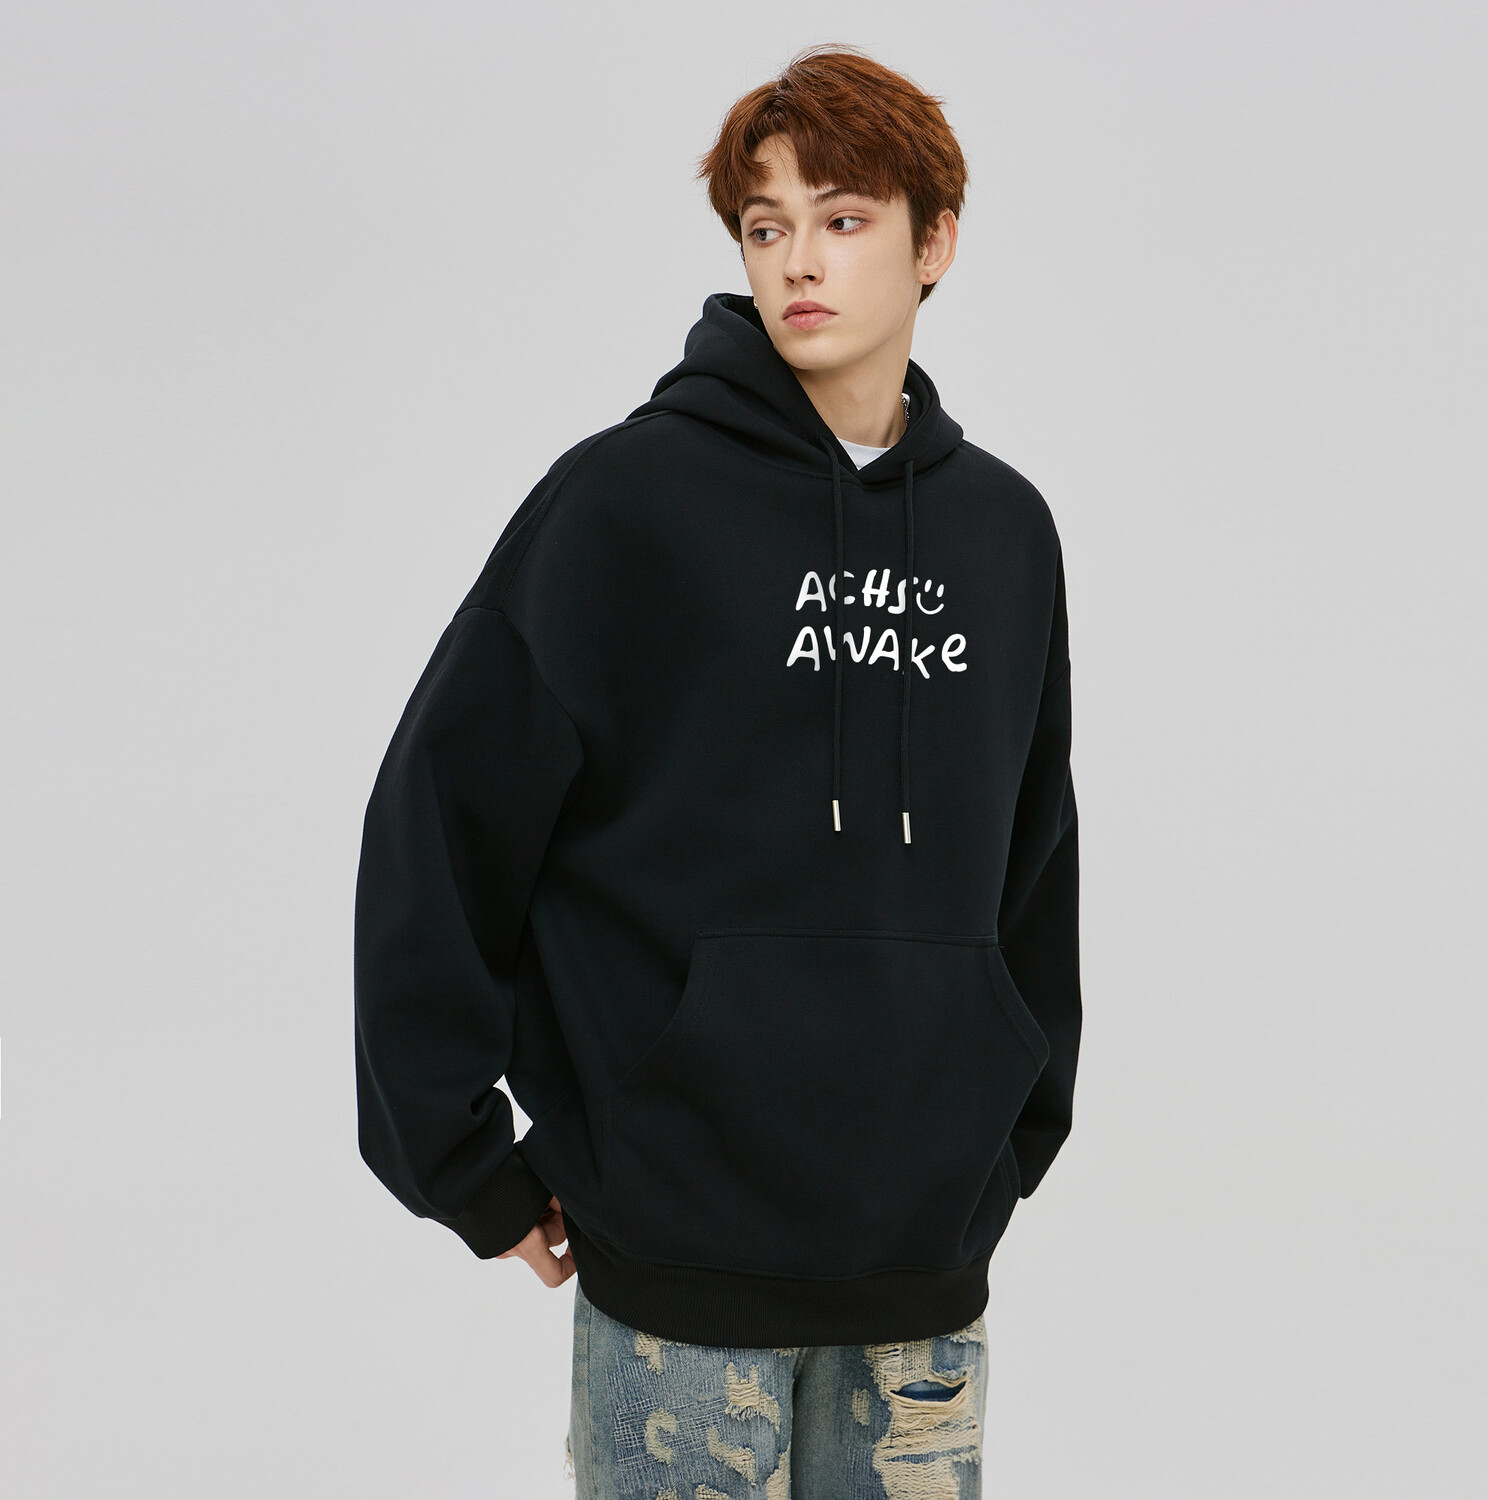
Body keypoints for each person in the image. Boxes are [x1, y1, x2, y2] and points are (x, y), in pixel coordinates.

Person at [353, 43, 1082, 1498]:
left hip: (922, 1279)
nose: (799, 260)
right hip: (676, 1270)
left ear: (936, 242)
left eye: (844, 218)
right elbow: (443, 820)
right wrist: (460, 1159)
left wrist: (1007, 1135)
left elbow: (1032, 863)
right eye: (766, 224)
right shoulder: (623, 507)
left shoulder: (1004, 535)